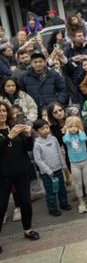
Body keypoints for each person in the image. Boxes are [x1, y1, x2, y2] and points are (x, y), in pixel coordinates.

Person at [0, 100, 38, 252]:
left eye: (3, 110)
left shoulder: (14, 126)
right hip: (3, 175)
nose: (1, 113)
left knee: (25, 202)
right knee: (1, 207)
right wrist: (9, 137)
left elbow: (27, 148)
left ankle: (27, 229)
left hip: (21, 171)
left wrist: (28, 136)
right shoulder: (11, 131)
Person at [32, 119, 71, 216]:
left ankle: (64, 203)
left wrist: (63, 165)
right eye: (42, 129)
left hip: (58, 169)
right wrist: (48, 170)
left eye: (47, 127)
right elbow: (38, 160)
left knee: (62, 188)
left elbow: (59, 152)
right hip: (47, 173)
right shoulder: (37, 144)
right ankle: (52, 208)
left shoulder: (53, 139)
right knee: (50, 191)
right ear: (37, 131)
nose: (46, 130)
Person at [62, 116, 87, 213]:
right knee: (78, 184)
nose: (73, 128)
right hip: (74, 164)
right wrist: (67, 131)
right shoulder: (67, 137)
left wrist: (80, 129)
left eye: (75, 126)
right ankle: (81, 203)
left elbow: (83, 138)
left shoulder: (81, 135)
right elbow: (66, 140)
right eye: (71, 126)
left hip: (85, 161)